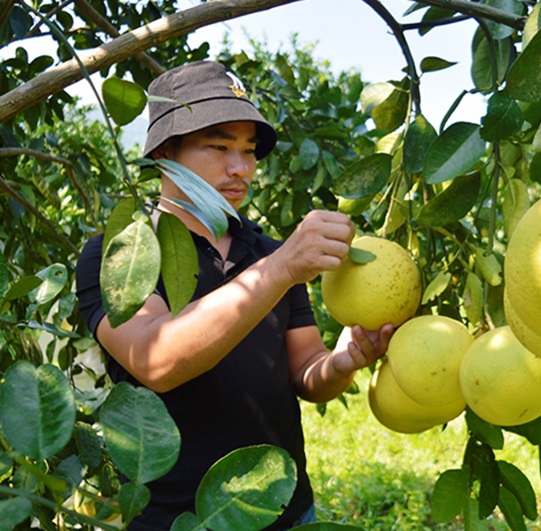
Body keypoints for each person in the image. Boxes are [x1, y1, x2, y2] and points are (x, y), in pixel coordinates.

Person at [75, 60, 394, 530]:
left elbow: (307, 371)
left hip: (286, 511)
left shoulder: (265, 253)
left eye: (248, 151)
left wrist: (342, 361)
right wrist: (282, 268)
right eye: (220, 147)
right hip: (176, 520)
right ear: (165, 152)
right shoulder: (120, 254)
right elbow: (154, 358)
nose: (240, 168)